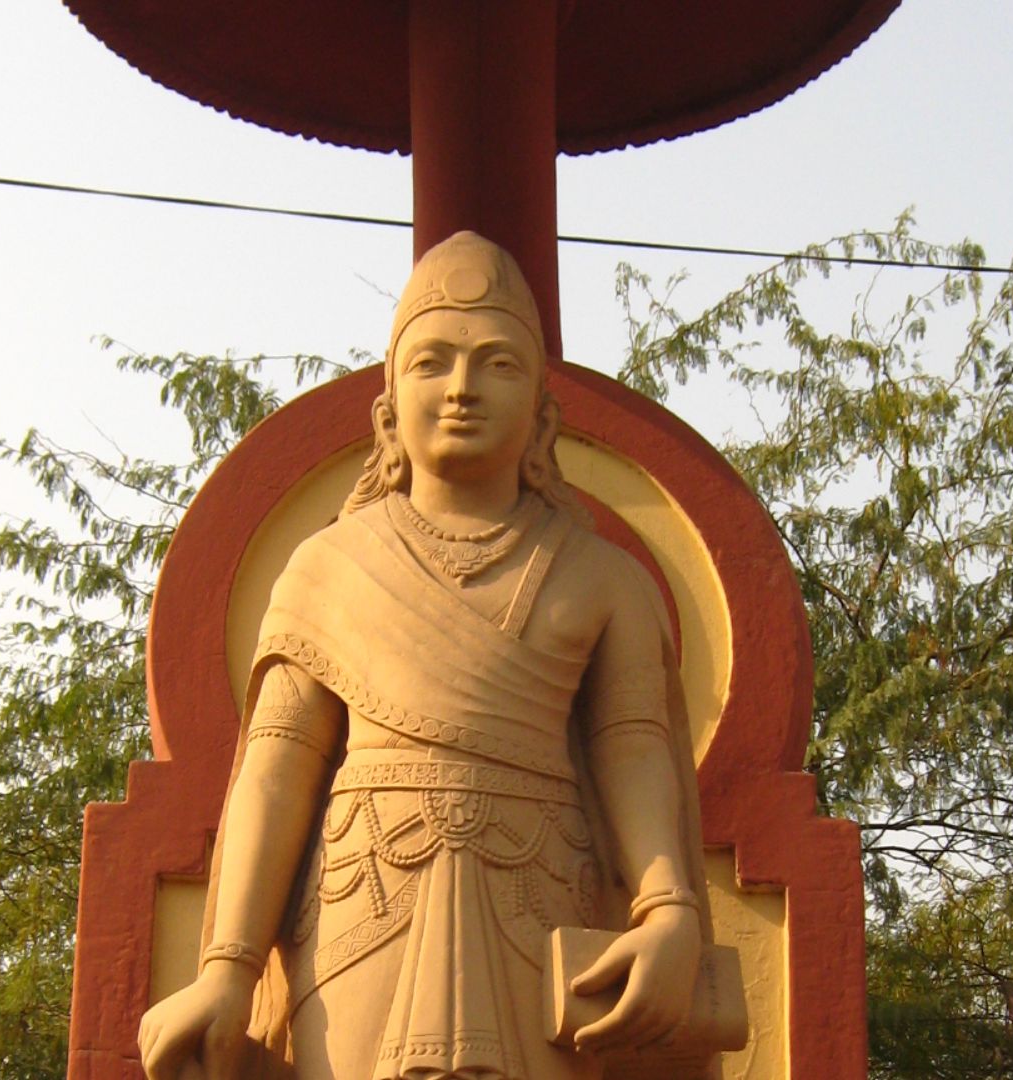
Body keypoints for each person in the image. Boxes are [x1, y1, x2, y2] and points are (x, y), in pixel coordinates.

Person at [138, 231, 715, 1080]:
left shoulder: (605, 580)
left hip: (539, 906)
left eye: (498, 364)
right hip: (362, 906)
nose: (461, 389)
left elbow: (632, 746)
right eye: (431, 363)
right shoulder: (327, 567)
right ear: (388, 409)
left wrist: (669, 910)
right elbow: (276, 770)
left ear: (542, 415)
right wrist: (229, 967)